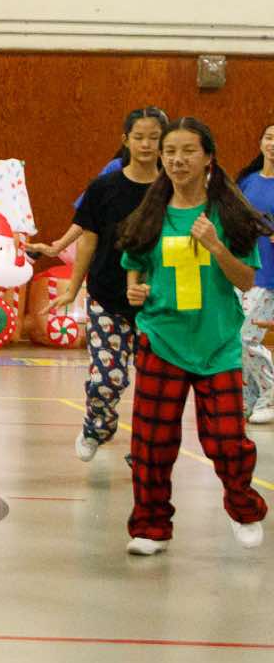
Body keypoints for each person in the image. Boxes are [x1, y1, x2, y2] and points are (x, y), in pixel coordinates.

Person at [118, 117, 271, 555]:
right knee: (151, 443)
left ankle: (243, 509)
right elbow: (134, 264)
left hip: (216, 345)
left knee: (226, 440)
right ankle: (150, 527)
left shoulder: (229, 216)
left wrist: (216, 246)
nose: (177, 160)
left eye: (188, 151)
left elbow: (246, 280)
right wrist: (134, 289)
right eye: (170, 152)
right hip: (161, 340)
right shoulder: (151, 214)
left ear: (208, 159)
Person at [52, 108, 167, 461]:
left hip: (159, 301)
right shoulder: (104, 188)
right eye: (139, 137)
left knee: (156, 383)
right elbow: (88, 241)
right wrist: (73, 287)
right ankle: (97, 426)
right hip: (107, 298)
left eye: (154, 138)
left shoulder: (172, 189)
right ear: (125, 140)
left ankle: (145, 446)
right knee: (106, 379)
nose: (146, 145)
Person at [232, 122, 274, 426]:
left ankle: (270, 395)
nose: (273, 144)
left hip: (270, 278)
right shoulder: (247, 181)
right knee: (235, 340)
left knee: (247, 338)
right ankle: (248, 398)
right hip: (245, 272)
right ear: (260, 142)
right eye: (269, 137)